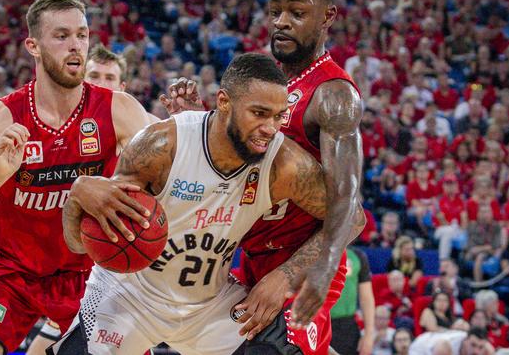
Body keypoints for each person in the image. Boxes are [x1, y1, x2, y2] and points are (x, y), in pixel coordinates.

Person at [51, 53, 361, 355]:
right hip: (131, 296)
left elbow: (352, 216)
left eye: (279, 117)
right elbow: (80, 245)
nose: (270, 128)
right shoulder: (161, 146)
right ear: (224, 102)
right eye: (259, 113)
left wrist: (284, 275)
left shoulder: (283, 163)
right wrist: (76, 198)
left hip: (208, 304)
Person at [0, 0, 155, 355]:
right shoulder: (1, 118)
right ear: (33, 46)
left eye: (82, 35)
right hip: (12, 274)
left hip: (91, 274)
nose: (75, 46)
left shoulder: (118, 110)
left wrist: (183, 125)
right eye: (62, 35)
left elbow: (166, 175)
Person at [162, 0, 365, 352]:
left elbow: (350, 210)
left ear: (327, 17)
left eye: (297, 13)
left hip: (299, 260)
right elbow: (236, 163)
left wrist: (297, 274)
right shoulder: (268, 83)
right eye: (275, 12)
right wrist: (201, 122)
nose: (281, 22)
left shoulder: (333, 95)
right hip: (248, 255)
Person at [27, 43, 142, 355]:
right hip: (61, 265)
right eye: (94, 75)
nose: (100, 83)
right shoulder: (52, 129)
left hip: (111, 268)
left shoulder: (134, 136)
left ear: (122, 88)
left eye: (109, 77)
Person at [330, 247, 375, 355]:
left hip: (347, 327)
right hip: (317, 323)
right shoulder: (313, 251)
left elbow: (367, 298)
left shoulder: (356, 255)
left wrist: (369, 335)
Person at [409, 327, 495, 355]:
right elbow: (440, 349)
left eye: (480, 347)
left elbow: (490, 349)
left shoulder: (484, 347)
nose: (476, 351)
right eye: (473, 345)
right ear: (465, 340)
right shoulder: (446, 345)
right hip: (419, 350)